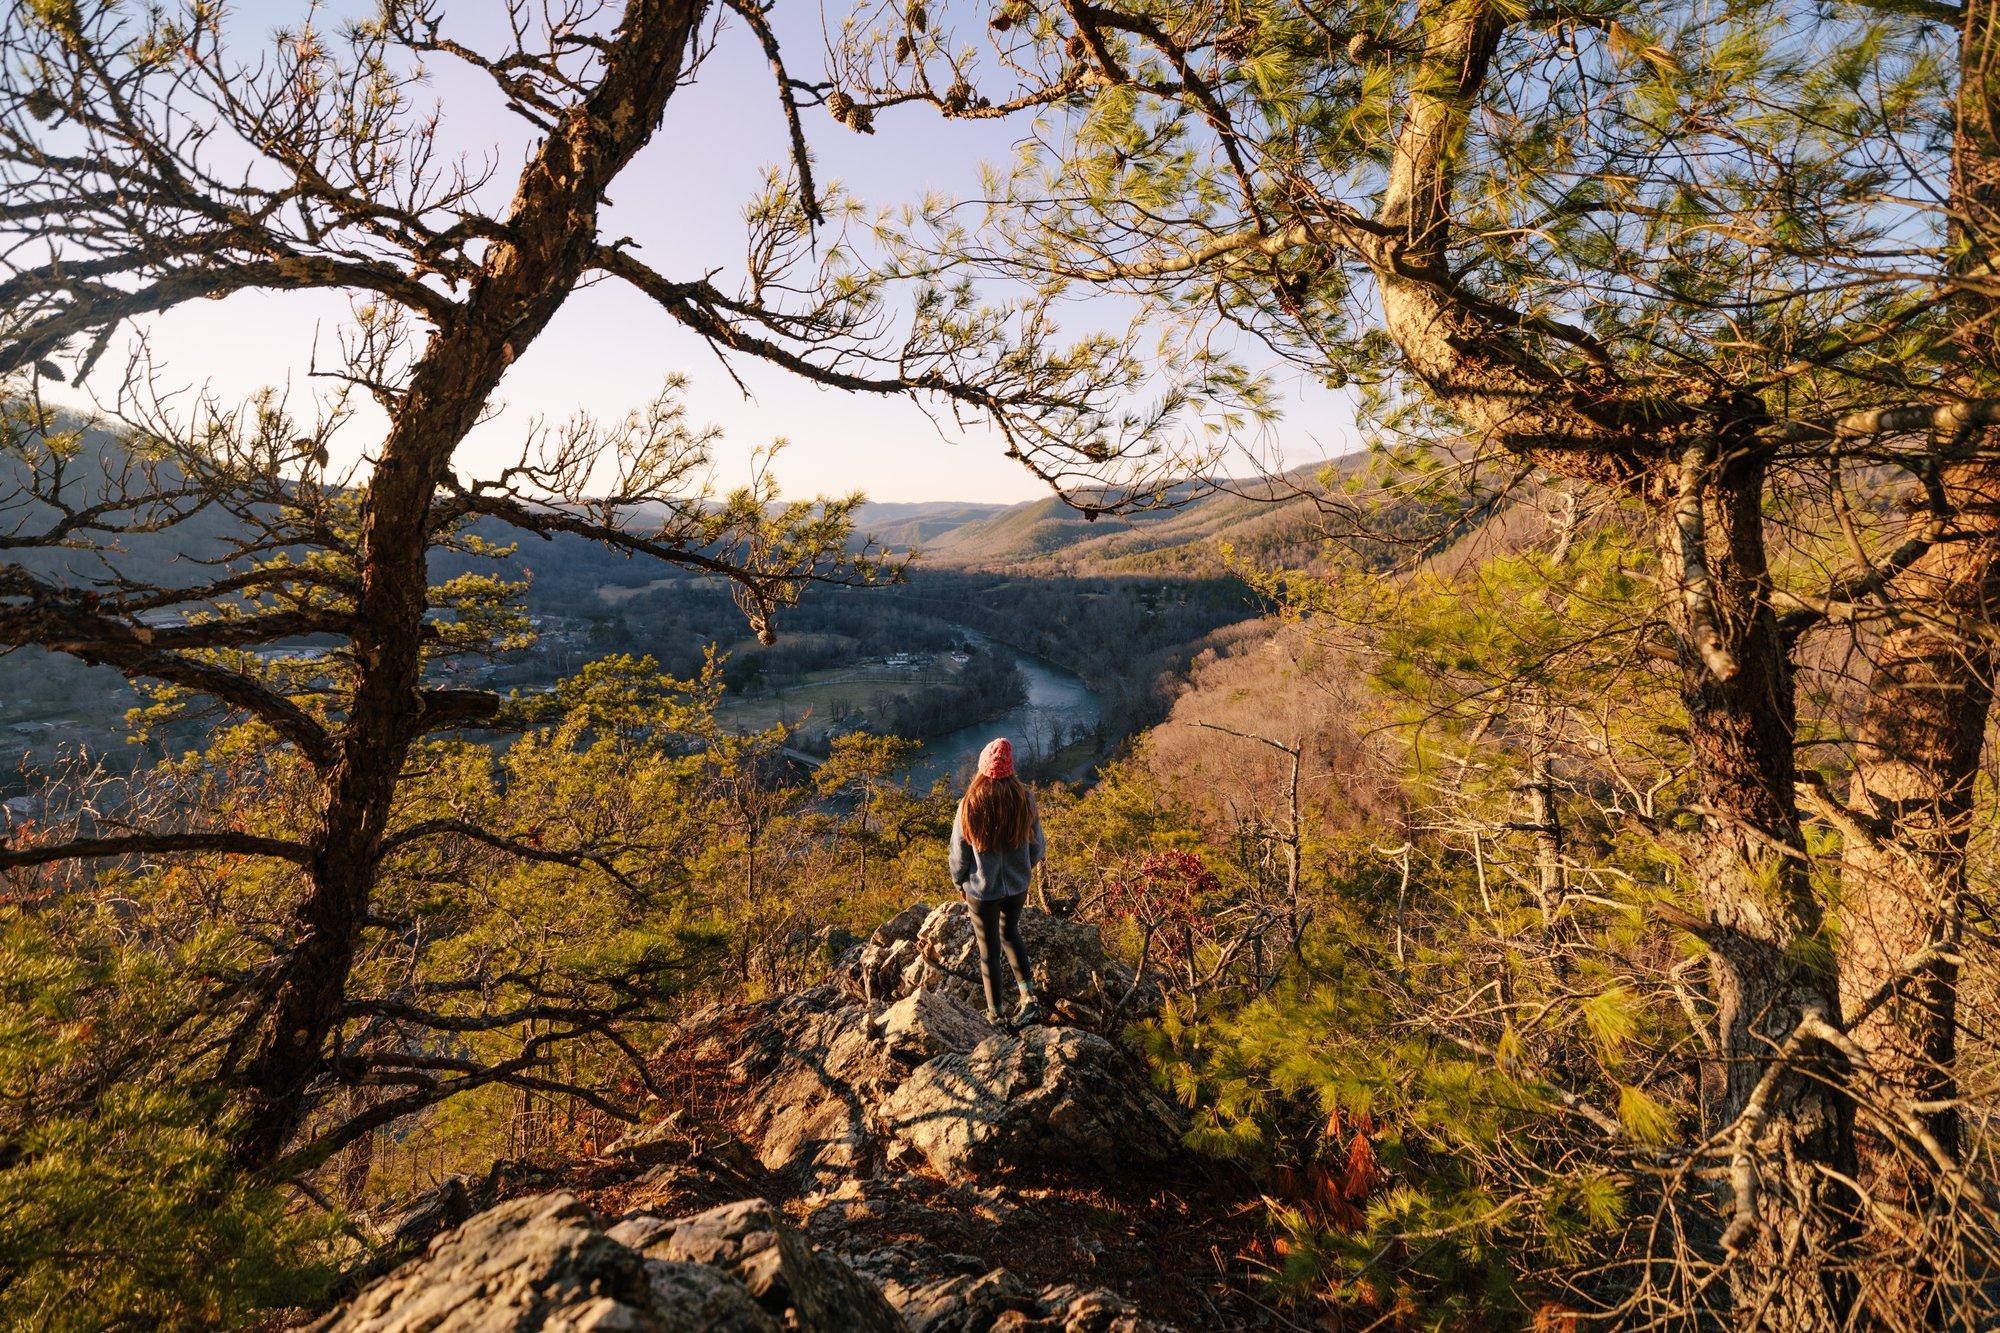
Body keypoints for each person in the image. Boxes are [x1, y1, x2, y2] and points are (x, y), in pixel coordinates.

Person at [949, 737, 1045, 1029]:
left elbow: (959, 853)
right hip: (1016, 887)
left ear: (982, 769)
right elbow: (1037, 848)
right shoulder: (1024, 800)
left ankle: (996, 1014)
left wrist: (960, 884)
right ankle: (1029, 998)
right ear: (1010, 769)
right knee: (1010, 935)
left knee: (988, 950)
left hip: (981, 890)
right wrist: (1022, 869)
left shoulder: (970, 804)